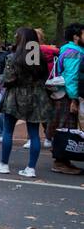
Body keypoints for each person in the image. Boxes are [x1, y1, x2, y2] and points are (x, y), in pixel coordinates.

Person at [0, 26, 54, 178]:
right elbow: (44, 77)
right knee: (34, 133)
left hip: (16, 96)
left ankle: (4, 164)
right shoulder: (41, 57)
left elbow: (8, 79)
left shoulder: (13, 57)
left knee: (8, 131)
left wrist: (1, 78)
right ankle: (31, 168)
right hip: (37, 96)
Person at [48, 22, 83, 176]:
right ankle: (60, 162)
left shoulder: (69, 49)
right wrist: (74, 99)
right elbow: (72, 77)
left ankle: (63, 160)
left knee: (65, 127)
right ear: (76, 37)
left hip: (64, 95)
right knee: (65, 128)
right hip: (67, 97)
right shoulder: (74, 52)